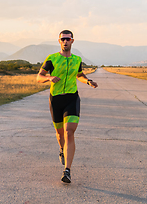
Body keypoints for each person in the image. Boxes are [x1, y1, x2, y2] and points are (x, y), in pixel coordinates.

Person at [37, 30, 98, 183]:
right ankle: (62, 150)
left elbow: (79, 76)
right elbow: (39, 77)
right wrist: (49, 77)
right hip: (56, 100)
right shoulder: (52, 58)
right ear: (59, 41)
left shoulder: (77, 60)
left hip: (72, 98)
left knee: (69, 132)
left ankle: (67, 171)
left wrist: (88, 81)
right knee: (59, 135)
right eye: (62, 39)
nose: (65, 41)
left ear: (72, 41)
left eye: (68, 39)